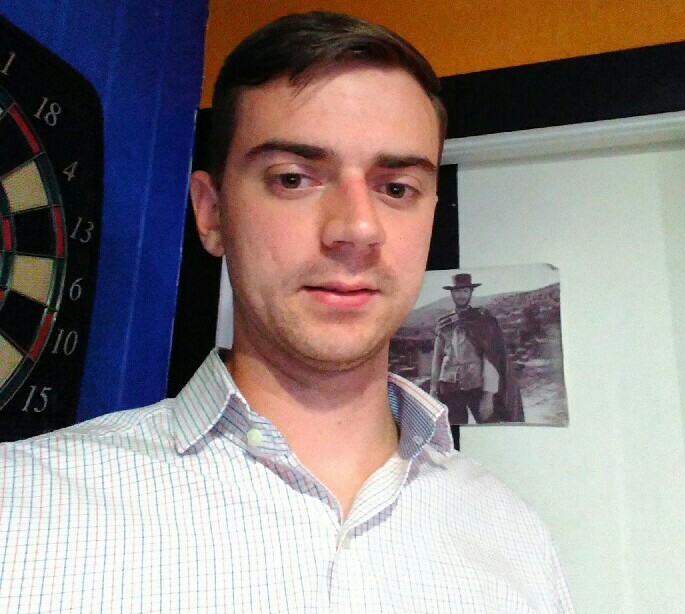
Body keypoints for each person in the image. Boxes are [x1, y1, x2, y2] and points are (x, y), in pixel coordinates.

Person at [0, 12, 572, 612]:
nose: (358, 228)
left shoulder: (518, 539)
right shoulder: (24, 512)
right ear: (212, 213)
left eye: (396, 188)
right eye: (294, 179)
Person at [430, 272, 521, 424]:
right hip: (448, 386)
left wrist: (488, 395)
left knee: (489, 424)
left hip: (476, 384)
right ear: (452, 293)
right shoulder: (444, 323)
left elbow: (490, 359)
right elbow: (437, 358)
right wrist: (433, 388)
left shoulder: (483, 321)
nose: (461, 295)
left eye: (465, 291)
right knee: (454, 429)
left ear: (471, 292)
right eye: (457, 291)